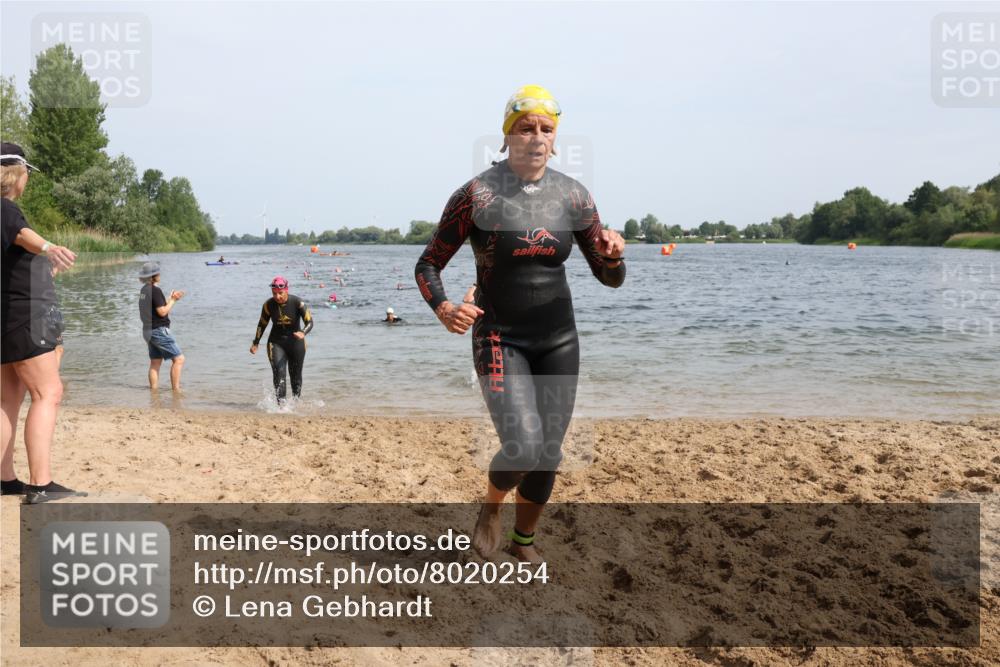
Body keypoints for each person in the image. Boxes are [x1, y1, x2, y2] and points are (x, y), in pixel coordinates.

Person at [414, 86, 625, 562]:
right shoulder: (477, 195)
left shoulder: (574, 196)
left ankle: (523, 541)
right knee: (524, 445)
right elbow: (428, 264)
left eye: (546, 129)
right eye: (525, 128)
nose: (536, 137)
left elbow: (609, 278)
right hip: (498, 336)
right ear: (507, 134)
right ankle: (490, 508)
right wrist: (445, 307)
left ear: (556, 138)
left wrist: (614, 257)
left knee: (549, 452)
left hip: (559, 339)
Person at [1, 142, 86, 504]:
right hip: (25, 318)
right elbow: (22, 234)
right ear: (15, 174)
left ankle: (5, 479)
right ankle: (40, 485)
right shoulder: (5, 208)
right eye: (27, 174)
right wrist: (49, 247)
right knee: (47, 393)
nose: (27, 181)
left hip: (7, 318)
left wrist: (41, 266)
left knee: (7, 400)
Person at [250, 276, 313, 403]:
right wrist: (256, 342)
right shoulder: (268, 305)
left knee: (296, 376)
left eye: (280, 293)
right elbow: (262, 324)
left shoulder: (298, 303)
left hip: (296, 343)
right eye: (274, 294)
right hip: (276, 342)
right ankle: (281, 406)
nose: (277, 297)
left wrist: (302, 332)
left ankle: (295, 404)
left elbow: (310, 322)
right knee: (279, 373)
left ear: (286, 290)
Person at [138, 261, 186, 391]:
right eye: (157, 272)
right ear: (153, 275)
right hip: (158, 330)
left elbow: (156, 307)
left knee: (155, 362)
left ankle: (154, 392)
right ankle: (176, 391)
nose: (159, 274)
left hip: (147, 331)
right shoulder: (155, 290)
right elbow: (163, 312)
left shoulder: (144, 290)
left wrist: (169, 299)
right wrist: (174, 301)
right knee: (179, 359)